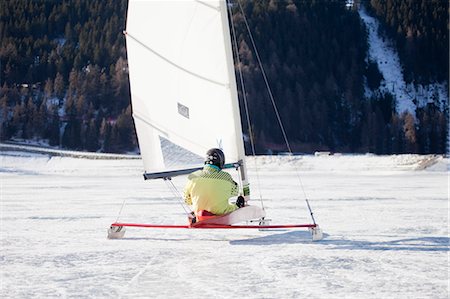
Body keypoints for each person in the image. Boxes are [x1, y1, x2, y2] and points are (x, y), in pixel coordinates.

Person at [184, 148, 245, 222]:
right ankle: (238, 206)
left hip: (199, 213)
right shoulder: (225, 177)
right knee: (235, 205)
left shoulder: (192, 176)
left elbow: (187, 199)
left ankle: (198, 216)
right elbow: (235, 191)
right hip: (220, 214)